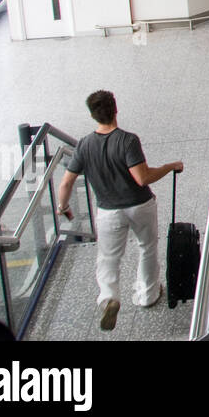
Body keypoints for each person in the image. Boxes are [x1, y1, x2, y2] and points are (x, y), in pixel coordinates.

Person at [56, 90, 183, 331]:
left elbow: (65, 183)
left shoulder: (84, 144)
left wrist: (63, 207)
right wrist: (169, 167)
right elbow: (142, 178)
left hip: (108, 211)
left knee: (108, 257)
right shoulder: (127, 140)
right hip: (139, 205)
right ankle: (147, 294)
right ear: (115, 109)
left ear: (93, 115)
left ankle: (109, 298)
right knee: (146, 247)